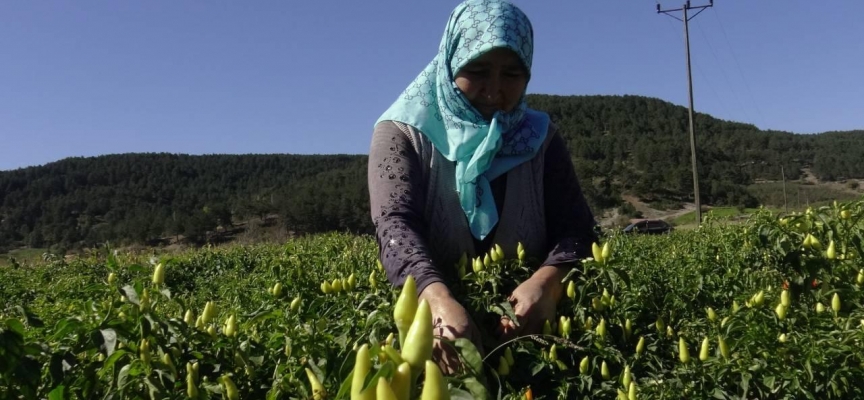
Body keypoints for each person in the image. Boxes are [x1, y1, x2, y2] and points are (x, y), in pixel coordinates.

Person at [367, 0, 598, 373]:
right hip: (433, 338)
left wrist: (547, 284)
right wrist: (434, 299)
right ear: (450, 63)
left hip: (533, 344)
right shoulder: (403, 133)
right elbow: (395, 226)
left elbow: (577, 229)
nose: (494, 90)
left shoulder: (540, 138)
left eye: (511, 73)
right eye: (477, 71)